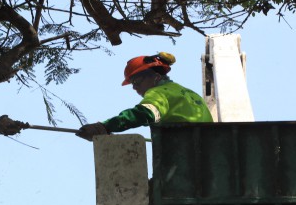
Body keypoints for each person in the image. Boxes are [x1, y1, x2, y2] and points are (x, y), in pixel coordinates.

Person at [76, 52, 213, 141]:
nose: (134, 87)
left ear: (155, 76)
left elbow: (143, 114)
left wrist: (105, 126)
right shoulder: (189, 93)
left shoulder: (159, 93)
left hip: (184, 152)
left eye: (136, 81)